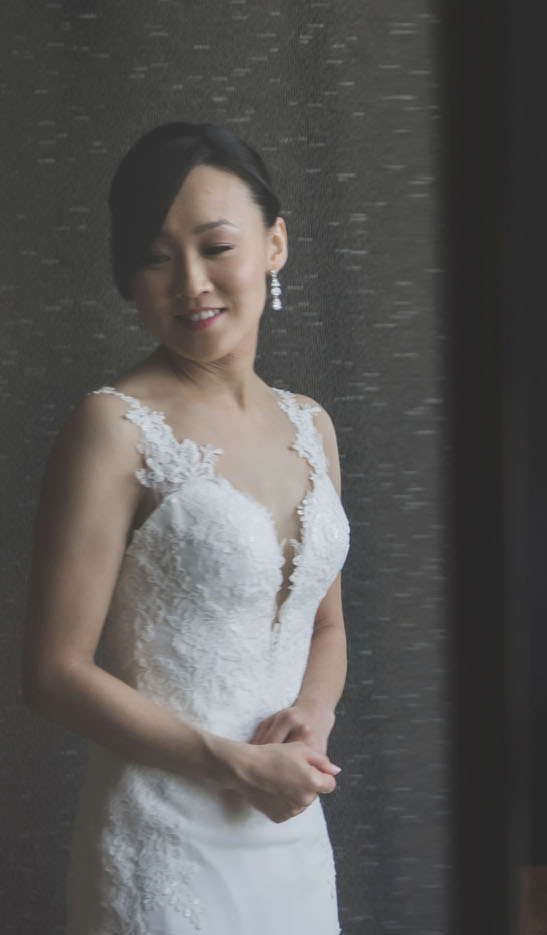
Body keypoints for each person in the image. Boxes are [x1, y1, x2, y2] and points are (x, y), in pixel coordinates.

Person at [21, 122, 348, 934]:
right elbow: (53, 671)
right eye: (157, 257)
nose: (191, 283)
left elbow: (327, 622)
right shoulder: (115, 426)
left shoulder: (312, 425)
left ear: (273, 244)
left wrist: (315, 712)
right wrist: (236, 763)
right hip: (162, 834)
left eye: (215, 246)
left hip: (291, 826)